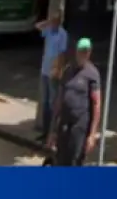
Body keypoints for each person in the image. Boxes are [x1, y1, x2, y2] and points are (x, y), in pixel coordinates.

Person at [47, 37, 102, 166]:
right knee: (60, 158)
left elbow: (97, 104)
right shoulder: (68, 70)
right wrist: (53, 129)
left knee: (75, 159)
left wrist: (92, 134)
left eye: (87, 51)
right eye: (82, 51)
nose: (84, 54)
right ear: (76, 51)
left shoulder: (92, 74)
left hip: (80, 125)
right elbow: (59, 99)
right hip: (65, 123)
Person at [34, 12, 68, 142]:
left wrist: (59, 69)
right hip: (44, 70)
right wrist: (47, 22)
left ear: (59, 21)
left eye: (55, 20)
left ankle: (52, 132)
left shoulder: (62, 34)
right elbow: (37, 26)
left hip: (53, 71)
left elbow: (62, 54)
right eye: (52, 20)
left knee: (53, 103)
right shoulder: (48, 30)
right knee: (45, 102)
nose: (53, 23)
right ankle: (45, 131)